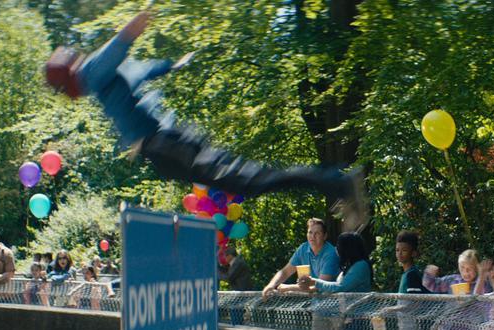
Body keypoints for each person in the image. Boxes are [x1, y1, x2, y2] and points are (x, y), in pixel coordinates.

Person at [44, 11, 367, 232]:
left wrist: (134, 27)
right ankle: (334, 182)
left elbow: (118, 47)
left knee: (252, 180)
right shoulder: (107, 78)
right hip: (170, 143)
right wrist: (172, 64)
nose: (72, 94)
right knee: (249, 180)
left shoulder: (90, 74)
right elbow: (144, 68)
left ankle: (337, 182)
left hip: (167, 146)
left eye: (64, 89)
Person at [377, 230, 429, 330]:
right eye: (397, 250)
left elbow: (416, 303)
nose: (399, 253)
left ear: (413, 253)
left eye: (404, 250)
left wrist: (391, 310)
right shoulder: (406, 274)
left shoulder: (412, 275)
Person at [263, 218, 341, 297]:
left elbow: (320, 287)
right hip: (316, 303)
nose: (312, 236)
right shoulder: (303, 248)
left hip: (334, 303)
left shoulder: (331, 253)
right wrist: (271, 285)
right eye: (310, 232)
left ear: (325, 236)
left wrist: (287, 287)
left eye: (317, 233)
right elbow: (285, 272)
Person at [297, 232, 373, 294]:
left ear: (348, 248)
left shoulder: (361, 265)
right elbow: (334, 287)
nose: (336, 248)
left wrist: (315, 282)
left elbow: (340, 287)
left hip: (358, 311)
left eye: (339, 245)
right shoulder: (349, 265)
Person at [423, 249, 490, 294]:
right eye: (462, 268)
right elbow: (431, 285)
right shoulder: (453, 280)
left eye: (470, 268)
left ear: (477, 268)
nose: (465, 272)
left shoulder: (484, 282)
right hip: (452, 315)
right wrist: (428, 273)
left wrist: (481, 277)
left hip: (476, 315)